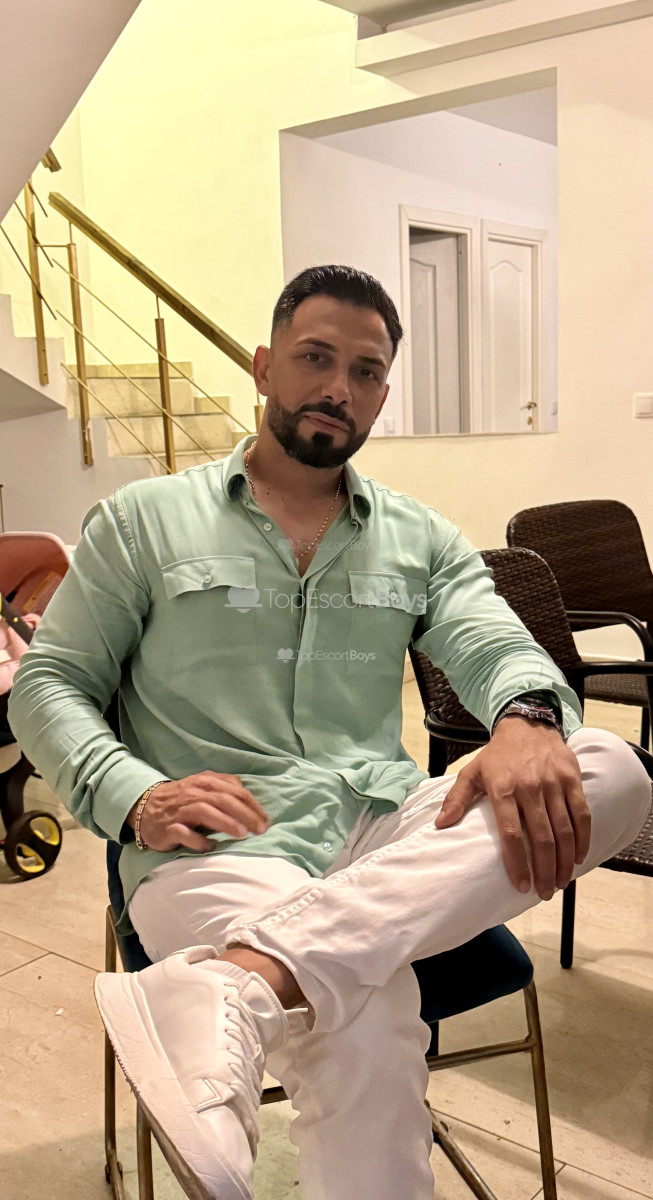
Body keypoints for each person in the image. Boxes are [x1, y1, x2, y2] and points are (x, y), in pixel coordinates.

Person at [9, 265, 650, 1200]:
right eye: (315, 357)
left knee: (610, 768)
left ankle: (238, 983)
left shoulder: (418, 536)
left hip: (380, 831)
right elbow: (51, 682)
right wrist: (132, 794)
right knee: (363, 1011)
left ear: (382, 394)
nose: (338, 386)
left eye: (365, 370)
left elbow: (495, 644)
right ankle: (281, 973)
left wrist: (523, 717)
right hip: (216, 841)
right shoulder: (142, 522)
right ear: (264, 367)